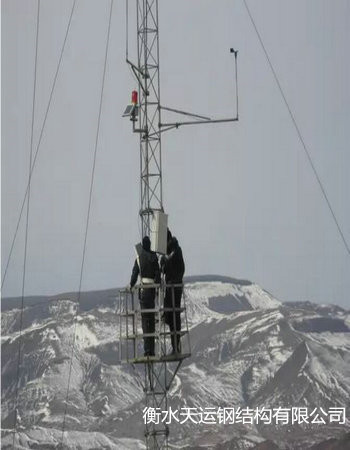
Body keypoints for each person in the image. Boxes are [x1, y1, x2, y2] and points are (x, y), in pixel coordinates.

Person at [129, 236, 160, 357]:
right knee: (151, 320)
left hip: (143, 290)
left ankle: (147, 350)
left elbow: (135, 273)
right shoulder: (154, 257)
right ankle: (151, 350)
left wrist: (131, 285)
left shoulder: (139, 257)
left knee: (145, 320)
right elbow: (158, 273)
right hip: (152, 290)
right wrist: (157, 287)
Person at [161, 231, 185, 355]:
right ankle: (175, 346)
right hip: (170, 287)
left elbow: (181, 269)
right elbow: (165, 269)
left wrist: (167, 261)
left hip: (174, 287)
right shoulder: (169, 253)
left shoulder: (176, 250)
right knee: (170, 316)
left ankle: (176, 347)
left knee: (174, 315)